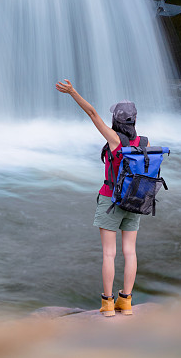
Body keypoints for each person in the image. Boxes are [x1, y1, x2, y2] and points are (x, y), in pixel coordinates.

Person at [55, 79, 141, 317]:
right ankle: (126, 301)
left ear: (117, 120)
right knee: (130, 252)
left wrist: (73, 92)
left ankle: (108, 304)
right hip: (135, 201)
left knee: (108, 254)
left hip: (111, 200)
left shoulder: (115, 140)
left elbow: (92, 113)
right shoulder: (143, 142)